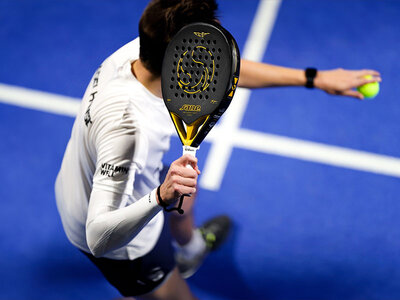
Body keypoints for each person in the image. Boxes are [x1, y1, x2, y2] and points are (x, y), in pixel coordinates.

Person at [55, 0, 381, 299]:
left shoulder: (138, 51)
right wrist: (160, 195)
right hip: (121, 242)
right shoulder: (131, 132)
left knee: (188, 194)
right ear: (182, 59)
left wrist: (315, 78)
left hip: (83, 180)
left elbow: (227, 68)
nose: (216, 44)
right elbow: (99, 236)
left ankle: (190, 249)